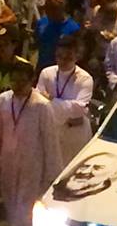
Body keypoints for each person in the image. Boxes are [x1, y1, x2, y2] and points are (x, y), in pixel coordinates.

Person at [0, 58, 63, 226]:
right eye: (14, 80)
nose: (18, 85)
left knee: (25, 208)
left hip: (32, 165)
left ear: (32, 81)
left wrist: (52, 176)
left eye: (22, 81)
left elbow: (50, 143)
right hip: (8, 164)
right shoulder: (4, 100)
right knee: (11, 205)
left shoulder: (42, 106)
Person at [37, 35, 94, 165]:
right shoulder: (47, 73)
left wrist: (51, 100)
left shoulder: (85, 78)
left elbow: (79, 109)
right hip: (53, 130)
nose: (62, 61)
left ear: (77, 56)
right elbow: (39, 101)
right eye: (59, 56)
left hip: (75, 134)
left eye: (68, 58)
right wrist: (67, 111)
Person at [34, 0, 80, 71]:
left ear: (62, 8)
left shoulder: (73, 28)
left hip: (61, 69)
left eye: (53, 8)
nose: (49, 12)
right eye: (47, 8)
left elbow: (77, 53)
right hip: (42, 68)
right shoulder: (42, 23)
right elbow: (36, 43)